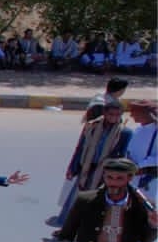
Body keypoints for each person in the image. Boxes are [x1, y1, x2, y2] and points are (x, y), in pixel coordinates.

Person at [55, 96, 132, 225]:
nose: (114, 117)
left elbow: (122, 155)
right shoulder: (91, 126)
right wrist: (72, 167)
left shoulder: (124, 132)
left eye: (117, 115)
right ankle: (68, 226)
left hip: (105, 172)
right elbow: (80, 148)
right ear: (105, 113)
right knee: (77, 198)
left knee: (97, 201)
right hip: (86, 167)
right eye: (110, 114)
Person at [125, 98, 156, 192]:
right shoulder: (138, 130)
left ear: (145, 113)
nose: (131, 115)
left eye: (134, 112)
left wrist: (140, 166)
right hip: (133, 179)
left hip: (151, 182)